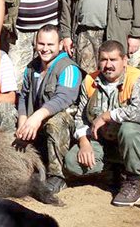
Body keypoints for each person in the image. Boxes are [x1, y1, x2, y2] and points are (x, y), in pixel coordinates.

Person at [64, 40, 140, 206]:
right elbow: (81, 117)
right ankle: (112, 171)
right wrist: (84, 142)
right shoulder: (90, 81)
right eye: (104, 60)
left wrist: (108, 115)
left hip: (137, 141)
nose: (108, 65)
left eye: (113, 60)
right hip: (105, 142)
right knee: (72, 162)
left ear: (124, 61)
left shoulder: (138, 79)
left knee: (129, 130)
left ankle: (133, 181)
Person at [15, 25, 82, 195]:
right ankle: (20, 162)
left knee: (55, 121)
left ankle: (57, 176)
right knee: (5, 110)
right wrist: (23, 119)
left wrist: (37, 117)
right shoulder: (32, 67)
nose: (45, 49)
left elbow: (63, 98)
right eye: (41, 44)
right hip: (35, 126)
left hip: (64, 130)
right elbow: (23, 96)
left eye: (50, 44)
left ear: (60, 45)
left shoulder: (69, 68)